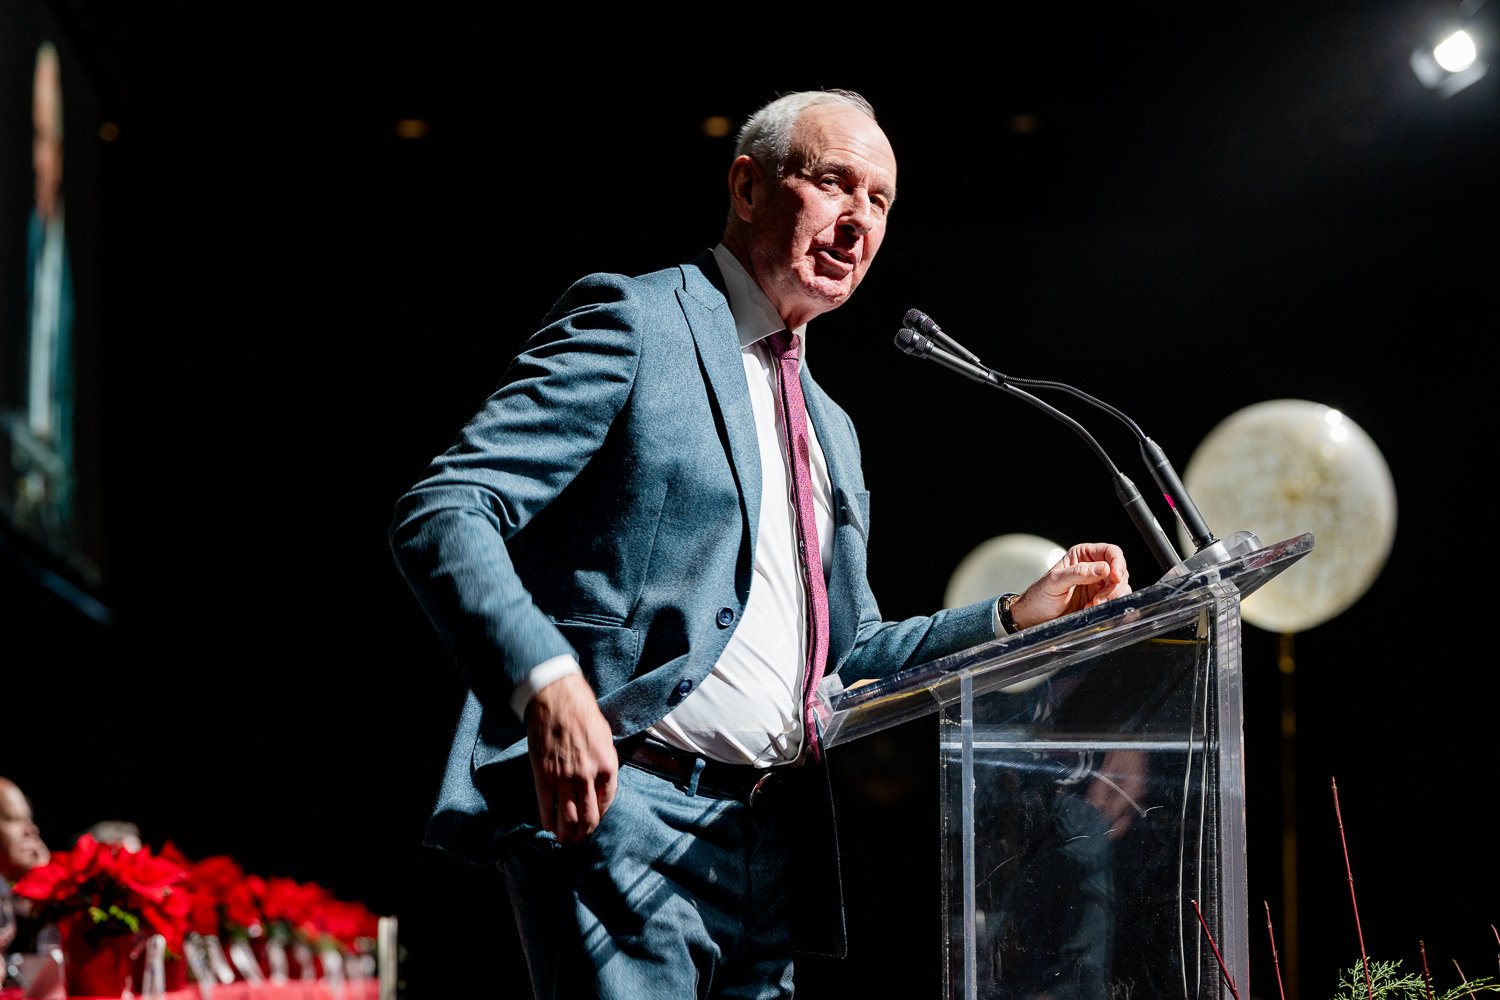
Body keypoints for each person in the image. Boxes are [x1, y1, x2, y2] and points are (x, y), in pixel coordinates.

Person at [388, 87, 1132, 998]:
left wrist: (1015, 615)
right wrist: (546, 684)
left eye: (881, 201)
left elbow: (850, 656)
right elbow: (446, 508)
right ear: (747, 187)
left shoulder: (831, 427)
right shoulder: (638, 322)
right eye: (834, 182)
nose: (859, 220)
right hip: (625, 811)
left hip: (768, 841)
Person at [8, 39, 77, 556]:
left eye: (45, 140)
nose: (38, 158)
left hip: (63, 484)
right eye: (34, 139)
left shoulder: (70, 252)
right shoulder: (30, 239)